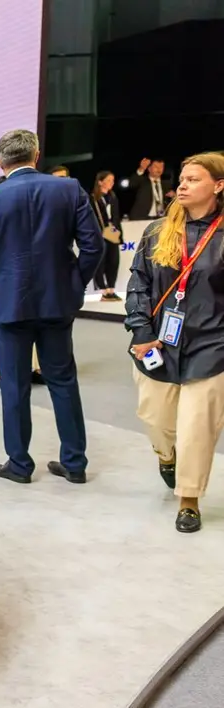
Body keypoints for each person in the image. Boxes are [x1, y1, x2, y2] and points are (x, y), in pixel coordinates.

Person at [0, 128, 103, 484]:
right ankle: (74, 463)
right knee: (63, 381)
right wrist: (73, 285)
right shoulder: (69, 189)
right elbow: (94, 246)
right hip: (57, 303)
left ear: (0, 161)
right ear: (36, 155)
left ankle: (19, 464)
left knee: (13, 386)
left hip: (8, 307)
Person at [125, 152, 224, 533]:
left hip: (211, 345)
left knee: (197, 426)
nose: (182, 185)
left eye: (193, 179)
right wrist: (141, 332)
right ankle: (166, 455)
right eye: (182, 179)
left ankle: (189, 499)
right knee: (158, 419)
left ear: (218, 186)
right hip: (158, 343)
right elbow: (138, 283)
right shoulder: (158, 230)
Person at [89, 171, 124, 301]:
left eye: (113, 180)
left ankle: (111, 289)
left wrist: (120, 235)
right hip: (99, 232)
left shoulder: (113, 197)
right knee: (101, 261)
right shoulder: (93, 198)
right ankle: (103, 290)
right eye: (109, 180)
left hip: (112, 231)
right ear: (100, 182)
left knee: (113, 260)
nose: (111, 183)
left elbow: (116, 217)